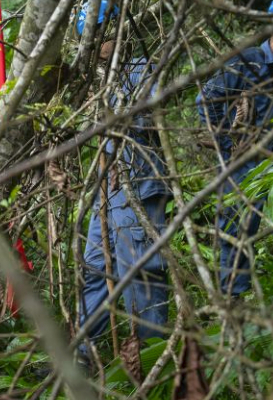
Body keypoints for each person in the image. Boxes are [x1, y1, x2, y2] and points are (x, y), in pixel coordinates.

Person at [76, 1, 171, 360]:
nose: (94, 45)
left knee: (141, 273)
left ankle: (147, 357)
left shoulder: (138, 70)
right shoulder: (97, 80)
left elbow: (147, 124)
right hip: (108, 189)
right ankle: (84, 354)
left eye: (98, 35)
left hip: (139, 184)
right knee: (95, 268)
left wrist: (109, 112)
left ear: (114, 30)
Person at [198, 0, 273, 297]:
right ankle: (235, 310)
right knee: (234, 240)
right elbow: (205, 104)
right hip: (243, 166)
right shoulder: (247, 62)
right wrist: (229, 149)